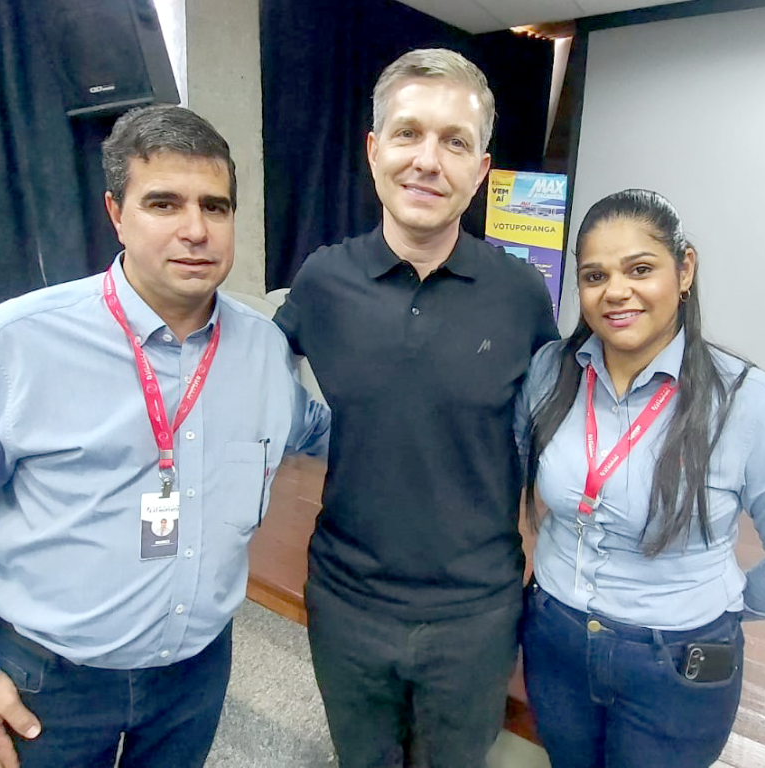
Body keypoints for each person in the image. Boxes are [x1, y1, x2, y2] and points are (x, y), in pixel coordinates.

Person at [0, 105, 329, 768]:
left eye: (216, 205)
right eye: (163, 203)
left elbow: (317, 429)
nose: (195, 230)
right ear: (116, 213)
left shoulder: (262, 348)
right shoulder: (11, 345)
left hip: (196, 673)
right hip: (52, 681)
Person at [274, 49, 558, 767]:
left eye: (454, 142)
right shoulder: (323, 280)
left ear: (481, 170)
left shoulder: (521, 295)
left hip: (476, 613)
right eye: (407, 134)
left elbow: (558, 431)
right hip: (345, 603)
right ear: (374, 151)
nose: (427, 161)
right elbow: (235, 377)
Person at [515, 189, 765, 768]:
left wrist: (712, 611)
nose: (616, 291)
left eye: (640, 269)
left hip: (676, 668)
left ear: (684, 268)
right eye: (594, 276)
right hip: (554, 640)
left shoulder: (753, 406)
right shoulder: (549, 372)